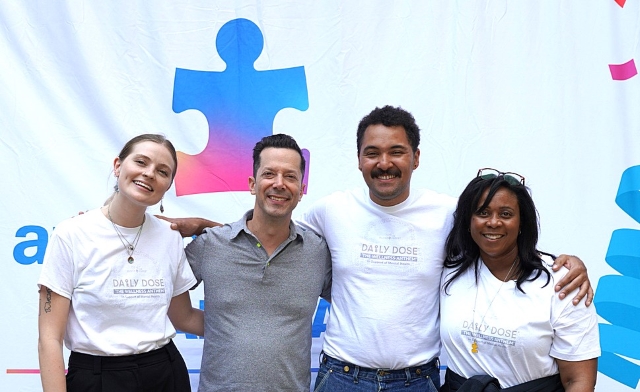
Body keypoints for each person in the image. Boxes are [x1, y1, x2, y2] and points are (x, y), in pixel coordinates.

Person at [166, 106, 593, 391]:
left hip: (419, 380)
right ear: (357, 159)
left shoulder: (448, 214)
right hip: (341, 377)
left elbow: (497, 234)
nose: (384, 162)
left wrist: (564, 264)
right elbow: (270, 230)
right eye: (372, 153)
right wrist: (204, 227)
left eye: (396, 152)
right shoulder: (330, 213)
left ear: (416, 157)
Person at [37, 134, 204, 392]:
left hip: (164, 372)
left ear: (168, 185)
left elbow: (184, 318)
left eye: (162, 171)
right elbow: (49, 338)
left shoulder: (169, 237)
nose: (149, 174)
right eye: (141, 162)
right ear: (118, 166)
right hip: (96, 377)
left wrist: (255, 322)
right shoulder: (71, 234)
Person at [183, 133, 332, 391]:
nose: (279, 183)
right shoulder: (212, 244)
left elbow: (357, 301)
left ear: (302, 190)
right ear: (253, 184)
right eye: (269, 174)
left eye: (290, 176)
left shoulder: (317, 252)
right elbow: (161, 288)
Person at [439, 169, 600, 391]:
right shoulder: (448, 268)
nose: (493, 222)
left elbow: (578, 380)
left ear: (522, 221)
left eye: (505, 214)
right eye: (483, 213)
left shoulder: (562, 283)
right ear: (468, 220)